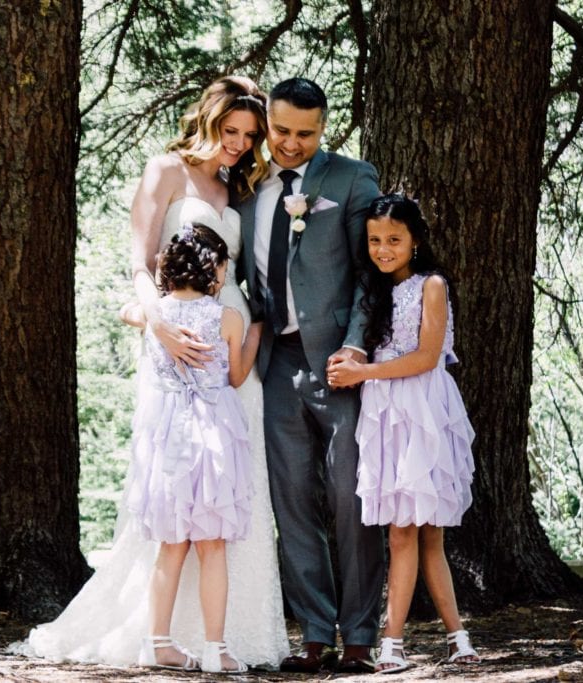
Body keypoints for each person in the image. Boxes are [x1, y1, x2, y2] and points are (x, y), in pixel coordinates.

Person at [18, 76, 289, 668]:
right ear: (208, 122)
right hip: (171, 331)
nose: (240, 144)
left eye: (249, 135)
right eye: (231, 131)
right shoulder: (165, 171)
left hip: (229, 336)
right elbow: (141, 262)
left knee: (233, 484)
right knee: (175, 484)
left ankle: (232, 635)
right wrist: (157, 323)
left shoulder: (237, 185)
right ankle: (156, 631)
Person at [238, 77, 385, 674]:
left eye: (307, 133)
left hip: (339, 365)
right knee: (292, 502)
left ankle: (359, 637)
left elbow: (370, 276)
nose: (292, 144)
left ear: (324, 129)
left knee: (351, 499)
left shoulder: (352, 178)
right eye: (282, 131)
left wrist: (354, 349)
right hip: (275, 362)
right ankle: (315, 636)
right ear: (267, 123)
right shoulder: (245, 185)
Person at [327, 194, 479, 673]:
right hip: (385, 414)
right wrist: (348, 364)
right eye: (375, 240)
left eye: (394, 239)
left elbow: (426, 357)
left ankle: (455, 636)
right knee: (400, 532)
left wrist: (363, 374)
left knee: (428, 532)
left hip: (423, 410)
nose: (383, 249)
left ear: (415, 240)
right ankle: (392, 642)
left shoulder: (431, 285)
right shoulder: (370, 291)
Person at [123, 224, 261, 673]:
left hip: (167, 435)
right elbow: (237, 377)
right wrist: (257, 333)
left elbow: (130, 311)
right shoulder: (228, 318)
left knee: (171, 546)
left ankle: (157, 642)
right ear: (214, 271)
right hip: (213, 436)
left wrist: (143, 309)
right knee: (212, 546)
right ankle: (215, 649)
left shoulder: (155, 316)